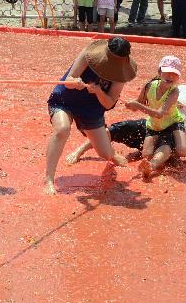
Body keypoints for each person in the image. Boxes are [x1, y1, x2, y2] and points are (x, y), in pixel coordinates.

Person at [44, 37, 138, 195]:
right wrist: (76, 82)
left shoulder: (121, 73)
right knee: (62, 129)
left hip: (91, 109)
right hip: (65, 99)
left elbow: (109, 103)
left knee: (105, 154)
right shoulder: (89, 54)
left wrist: (99, 91)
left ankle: (112, 154)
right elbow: (68, 80)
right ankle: (49, 179)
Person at [125, 55, 186, 179]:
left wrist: (137, 105)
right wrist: (130, 105)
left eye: (174, 74)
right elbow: (137, 106)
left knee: (182, 151)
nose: (170, 76)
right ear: (159, 72)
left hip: (172, 123)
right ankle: (165, 152)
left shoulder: (175, 91)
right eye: (166, 72)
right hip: (154, 125)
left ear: (178, 77)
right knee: (146, 155)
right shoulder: (149, 86)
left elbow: (159, 114)